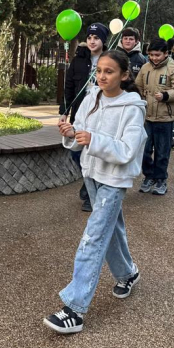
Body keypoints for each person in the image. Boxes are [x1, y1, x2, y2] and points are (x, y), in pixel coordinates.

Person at [44, 51, 147, 334]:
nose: (102, 76)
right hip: (91, 174)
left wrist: (93, 139)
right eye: (99, 70)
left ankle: (74, 309)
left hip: (114, 180)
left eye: (109, 71)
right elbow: (81, 135)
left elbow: (127, 150)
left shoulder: (133, 107)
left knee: (93, 237)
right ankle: (127, 273)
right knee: (110, 230)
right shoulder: (91, 98)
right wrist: (71, 133)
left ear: (124, 75)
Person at [60, 23, 108, 212]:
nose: (92, 41)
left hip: (101, 114)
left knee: (94, 152)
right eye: (89, 37)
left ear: (103, 40)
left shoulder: (110, 58)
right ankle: (88, 181)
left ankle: (90, 193)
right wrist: (64, 111)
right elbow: (69, 87)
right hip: (80, 113)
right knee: (76, 151)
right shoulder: (79, 60)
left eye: (96, 38)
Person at [135, 38, 174, 195]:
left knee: (162, 152)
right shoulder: (145, 68)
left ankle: (161, 179)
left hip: (165, 118)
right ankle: (149, 176)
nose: (154, 58)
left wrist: (165, 95)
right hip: (147, 117)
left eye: (157, 55)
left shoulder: (173, 68)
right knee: (144, 150)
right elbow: (137, 86)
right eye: (151, 55)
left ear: (165, 53)